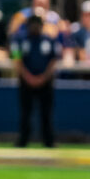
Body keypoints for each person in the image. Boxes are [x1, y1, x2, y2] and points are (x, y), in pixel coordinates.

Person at [11, 13, 61, 149]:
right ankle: (23, 140)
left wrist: (43, 77)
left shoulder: (49, 40)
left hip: (45, 82)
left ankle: (48, 140)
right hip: (26, 81)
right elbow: (16, 59)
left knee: (46, 113)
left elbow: (53, 60)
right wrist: (27, 76)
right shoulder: (19, 39)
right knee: (25, 113)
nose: (34, 27)